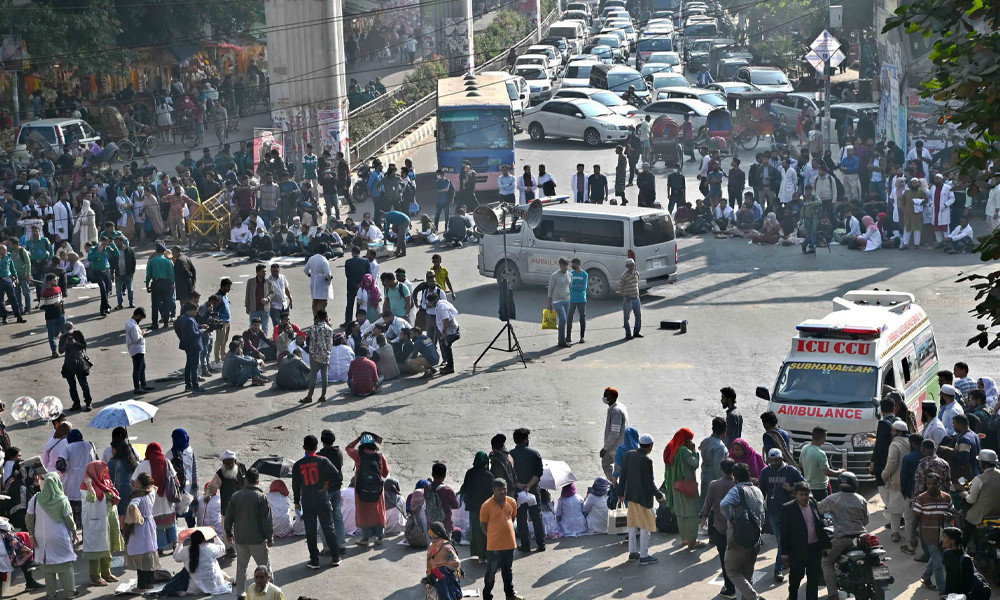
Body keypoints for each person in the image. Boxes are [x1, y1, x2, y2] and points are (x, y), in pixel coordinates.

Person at [292, 435, 341, 570]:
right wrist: (327, 485)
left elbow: (295, 486)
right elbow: (337, 475)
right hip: (322, 498)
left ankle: (314, 560)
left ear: (304, 447)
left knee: (311, 531)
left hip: (307, 501)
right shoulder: (323, 461)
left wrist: (296, 502)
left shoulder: (298, 465)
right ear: (316, 447)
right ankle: (336, 557)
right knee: (328, 528)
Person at [26, 472, 78, 598]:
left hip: (41, 537)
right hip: (59, 537)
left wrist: (31, 535)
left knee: (47, 568)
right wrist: (74, 531)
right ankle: (70, 592)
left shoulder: (36, 498)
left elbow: (29, 518)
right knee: (65, 565)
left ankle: (50, 595)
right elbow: (69, 520)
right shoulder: (62, 499)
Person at [819, 472, 869, 600]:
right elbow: (866, 520)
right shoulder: (861, 499)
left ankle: (833, 595)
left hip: (843, 538)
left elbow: (818, 509)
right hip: (861, 536)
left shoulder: (833, 498)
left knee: (826, 561)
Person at [721, 463, 765, 600]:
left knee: (731, 569)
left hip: (738, 537)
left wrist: (731, 518)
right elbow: (763, 514)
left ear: (735, 478)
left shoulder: (736, 490)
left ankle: (753, 597)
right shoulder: (758, 491)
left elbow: (724, 504)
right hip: (754, 538)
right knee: (747, 575)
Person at [619, 433, 664, 565]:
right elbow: (650, 483)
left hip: (631, 496)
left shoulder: (629, 455)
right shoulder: (647, 460)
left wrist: (621, 493)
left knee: (633, 525)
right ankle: (644, 555)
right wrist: (659, 496)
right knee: (646, 527)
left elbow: (623, 475)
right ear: (650, 446)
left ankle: (633, 553)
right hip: (644, 499)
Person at [760, 448, 804, 583]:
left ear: (781, 459)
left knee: (789, 539)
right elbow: (761, 492)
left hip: (791, 511)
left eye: (776, 460)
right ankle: (778, 569)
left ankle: (784, 561)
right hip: (773, 511)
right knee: (781, 540)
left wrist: (791, 488)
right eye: (771, 460)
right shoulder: (765, 472)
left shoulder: (791, 471)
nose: (773, 463)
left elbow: (804, 485)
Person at [780, 481, 825, 600]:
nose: (804, 497)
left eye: (806, 494)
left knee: (813, 580)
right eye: (801, 494)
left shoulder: (813, 504)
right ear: (795, 494)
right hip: (797, 551)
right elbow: (784, 533)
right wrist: (784, 553)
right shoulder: (788, 508)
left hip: (814, 549)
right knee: (795, 579)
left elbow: (819, 523)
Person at [479, 478, 522, 600]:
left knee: (507, 571)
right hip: (494, 546)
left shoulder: (512, 502)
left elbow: (512, 518)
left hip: (509, 544)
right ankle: (487, 596)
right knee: (491, 573)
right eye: (499, 489)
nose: (503, 492)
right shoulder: (486, 506)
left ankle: (510, 595)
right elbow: (483, 525)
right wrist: (493, 535)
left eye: (504, 489)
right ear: (493, 490)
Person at [346, 433, 390, 545]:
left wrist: (358, 438)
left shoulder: (357, 455)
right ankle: (380, 537)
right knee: (378, 511)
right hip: (377, 490)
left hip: (361, 489)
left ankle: (365, 539)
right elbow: (385, 474)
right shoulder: (380, 456)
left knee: (363, 512)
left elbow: (348, 448)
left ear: (362, 445)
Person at [663, 428, 703, 550]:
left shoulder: (673, 448)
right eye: (689, 439)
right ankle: (692, 541)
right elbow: (695, 464)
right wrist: (694, 451)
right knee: (691, 513)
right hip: (686, 486)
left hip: (676, 486)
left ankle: (684, 538)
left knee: (680, 512)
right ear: (685, 439)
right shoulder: (684, 451)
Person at [913, 471, 951, 592]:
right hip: (928, 536)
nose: (931, 486)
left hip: (943, 536)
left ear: (939, 484)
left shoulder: (946, 498)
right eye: (929, 484)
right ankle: (942, 591)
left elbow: (952, 513)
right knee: (938, 564)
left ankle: (925, 577)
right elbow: (915, 518)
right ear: (926, 484)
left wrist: (949, 517)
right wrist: (912, 535)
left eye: (934, 484)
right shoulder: (921, 498)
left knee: (936, 558)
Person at [510, 427, 545, 552]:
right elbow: (539, 472)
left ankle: (525, 545)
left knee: (521, 518)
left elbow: (509, 474)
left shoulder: (510, 456)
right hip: (533, 490)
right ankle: (541, 543)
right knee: (536, 516)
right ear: (525, 440)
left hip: (518, 491)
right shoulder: (534, 454)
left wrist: (520, 485)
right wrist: (529, 485)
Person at [124, 473, 160, 591]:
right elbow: (154, 488)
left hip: (140, 527)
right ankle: (150, 582)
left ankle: (141, 586)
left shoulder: (138, 497)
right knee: (149, 553)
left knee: (140, 555)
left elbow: (133, 507)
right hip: (150, 524)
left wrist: (133, 514)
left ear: (139, 483)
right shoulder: (151, 493)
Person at [460, 452, 495, 564]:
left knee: (476, 531)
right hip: (487, 508)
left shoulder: (470, 473)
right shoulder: (488, 475)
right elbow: (492, 492)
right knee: (487, 530)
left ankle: (480, 555)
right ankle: (489, 553)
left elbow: (465, 488)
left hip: (474, 508)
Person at [880, 420, 912, 543]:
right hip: (909, 481)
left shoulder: (894, 445)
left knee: (894, 510)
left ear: (898, 432)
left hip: (896, 481)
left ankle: (895, 533)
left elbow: (892, 463)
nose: (892, 433)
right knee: (908, 510)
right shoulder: (910, 442)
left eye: (893, 431)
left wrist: (884, 475)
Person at [941, 527, 989, 599]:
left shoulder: (965, 560)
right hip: (950, 594)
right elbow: (949, 576)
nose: (942, 540)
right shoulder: (946, 554)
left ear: (952, 541)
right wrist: (945, 593)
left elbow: (967, 585)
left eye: (944, 537)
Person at [800, 427, 842, 500]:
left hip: (808, 487)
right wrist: (840, 472)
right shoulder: (820, 453)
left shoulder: (804, 448)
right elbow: (827, 472)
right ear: (823, 438)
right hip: (820, 489)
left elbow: (801, 465)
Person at [424, 520, 462, 600]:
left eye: (431, 532)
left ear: (436, 533)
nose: (429, 533)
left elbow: (456, 562)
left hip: (441, 576)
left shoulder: (446, 546)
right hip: (436, 575)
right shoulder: (434, 543)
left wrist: (444, 569)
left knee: (444, 595)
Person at [59, 324, 93, 411]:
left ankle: (88, 402)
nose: (70, 335)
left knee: (83, 384)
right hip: (69, 363)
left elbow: (84, 346)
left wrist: (75, 343)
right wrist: (66, 344)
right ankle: (76, 402)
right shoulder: (63, 337)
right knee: (72, 385)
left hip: (79, 361)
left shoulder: (78, 334)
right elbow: (60, 351)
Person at [177, 301, 209, 393]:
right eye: (196, 311)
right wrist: (202, 330)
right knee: (194, 367)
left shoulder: (184, 318)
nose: (197, 313)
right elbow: (193, 334)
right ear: (191, 310)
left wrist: (199, 326)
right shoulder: (190, 320)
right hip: (194, 345)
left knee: (188, 365)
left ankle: (188, 384)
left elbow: (191, 329)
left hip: (187, 345)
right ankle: (195, 386)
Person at [599, 387, 629, 481]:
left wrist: (605, 448)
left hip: (616, 446)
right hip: (615, 445)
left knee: (618, 468)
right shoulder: (616, 407)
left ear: (611, 397)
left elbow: (615, 433)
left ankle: (616, 486)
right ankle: (614, 483)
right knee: (606, 463)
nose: (604, 397)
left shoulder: (616, 411)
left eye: (605, 395)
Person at [426, 293, 459, 375]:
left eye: (430, 302)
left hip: (451, 330)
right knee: (445, 346)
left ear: (435, 300)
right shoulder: (439, 305)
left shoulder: (441, 307)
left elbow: (446, 319)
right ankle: (448, 365)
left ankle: (451, 367)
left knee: (446, 346)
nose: (429, 304)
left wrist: (444, 332)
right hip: (448, 330)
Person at [125, 307, 154, 395]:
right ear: (138, 316)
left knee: (142, 367)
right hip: (137, 349)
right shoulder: (133, 326)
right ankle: (137, 387)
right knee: (137, 369)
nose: (140, 320)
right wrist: (143, 334)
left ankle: (143, 384)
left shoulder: (130, 323)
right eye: (141, 318)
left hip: (136, 349)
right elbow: (136, 339)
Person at [546, 257, 572, 348]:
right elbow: (550, 289)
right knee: (563, 319)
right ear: (560, 265)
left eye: (567, 265)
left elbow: (570, 286)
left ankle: (561, 339)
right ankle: (562, 341)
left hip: (567, 300)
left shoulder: (569, 275)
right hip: (557, 301)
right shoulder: (554, 275)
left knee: (564, 321)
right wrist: (549, 303)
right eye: (564, 265)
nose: (566, 267)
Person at [304, 244, 333, 318]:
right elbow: (327, 273)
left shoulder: (311, 258)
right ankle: (320, 318)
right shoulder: (324, 260)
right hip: (322, 282)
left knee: (315, 301)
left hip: (313, 281)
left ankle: (315, 317)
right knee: (323, 301)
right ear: (325, 251)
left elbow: (305, 270)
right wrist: (329, 278)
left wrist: (310, 275)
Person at [617, 258, 641, 340]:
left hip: (636, 298)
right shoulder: (624, 276)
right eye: (630, 266)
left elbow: (637, 282)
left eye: (633, 265)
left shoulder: (636, 273)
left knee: (638, 316)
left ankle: (636, 332)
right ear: (627, 266)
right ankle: (628, 334)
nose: (632, 267)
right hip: (628, 299)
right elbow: (620, 289)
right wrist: (626, 296)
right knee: (626, 317)